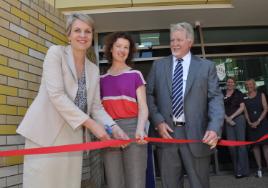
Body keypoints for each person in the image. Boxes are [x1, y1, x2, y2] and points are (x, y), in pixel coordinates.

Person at [16, 13, 126, 188]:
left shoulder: (93, 70)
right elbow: (57, 95)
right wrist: (91, 125)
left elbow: (96, 107)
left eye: (87, 31)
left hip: (73, 138)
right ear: (68, 35)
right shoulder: (55, 54)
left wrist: (114, 127)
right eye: (77, 30)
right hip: (46, 135)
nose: (82, 35)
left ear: (92, 35)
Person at [146, 22, 224, 188]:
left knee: (199, 184)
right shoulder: (158, 66)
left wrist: (215, 127)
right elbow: (149, 95)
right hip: (167, 135)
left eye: (179, 40)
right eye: (172, 40)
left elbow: (215, 99)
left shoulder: (206, 67)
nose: (174, 44)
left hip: (197, 135)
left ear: (190, 41)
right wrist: (158, 121)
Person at [100, 32, 148, 188]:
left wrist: (140, 129)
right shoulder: (101, 79)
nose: (122, 50)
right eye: (118, 46)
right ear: (111, 49)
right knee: (114, 181)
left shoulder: (135, 75)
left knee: (135, 181)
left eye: (126, 47)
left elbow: (143, 107)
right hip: (109, 130)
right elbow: (98, 110)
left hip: (133, 128)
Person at [222, 77, 249, 178]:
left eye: (232, 82)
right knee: (231, 146)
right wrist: (227, 119)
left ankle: (242, 171)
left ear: (235, 84)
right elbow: (219, 107)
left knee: (241, 146)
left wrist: (231, 117)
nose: (230, 83)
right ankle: (237, 168)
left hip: (238, 120)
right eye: (228, 82)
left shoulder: (239, 93)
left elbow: (242, 107)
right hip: (227, 121)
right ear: (226, 83)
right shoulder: (222, 93)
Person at [244, 79, 268, 178]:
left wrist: (258, 121)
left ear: (254, 85)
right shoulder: (244, 97)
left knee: (266, 146)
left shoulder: (261, 94)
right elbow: (245, 111)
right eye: (246, 84)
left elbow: (266, 108)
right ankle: (259, 168)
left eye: (250, 84)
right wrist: (249, 122)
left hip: (262, 124)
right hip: (251, 126)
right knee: (255, 147)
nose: (248, 86)